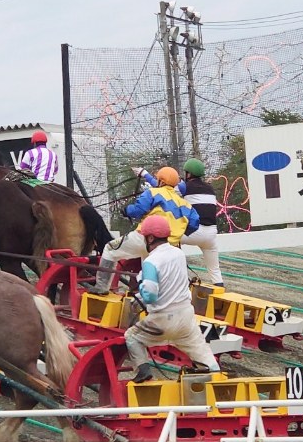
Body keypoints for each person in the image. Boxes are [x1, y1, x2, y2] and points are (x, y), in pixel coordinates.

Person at [125, 215, 220, 383]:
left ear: (151, 238)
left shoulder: (151, 261)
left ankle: (143, 371)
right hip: (186, 317)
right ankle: (216, 376)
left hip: (162, 319)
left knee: (132, 336)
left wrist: (140, 286)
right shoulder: (178, 254)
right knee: (203, 353)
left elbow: (150, 294)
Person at [88, 166, 199, 295]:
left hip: (144, 239)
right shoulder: (186, 204)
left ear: (161, 181)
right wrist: (177, 231)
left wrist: (126, 210)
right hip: (169, 247)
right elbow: (194, 224)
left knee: (109, 249)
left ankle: (101, 287)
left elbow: (138, 210)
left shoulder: (153, 192)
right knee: (148, 264)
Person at [136, 158, 223, 287]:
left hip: (194, 233)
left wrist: (144, 174)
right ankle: (220, 293)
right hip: (211, 235)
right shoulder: (210, 189)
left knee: (162, 240)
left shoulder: (185, 187)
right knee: (215, 270)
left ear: (188, 174)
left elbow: (160, 187)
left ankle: (152, 277)